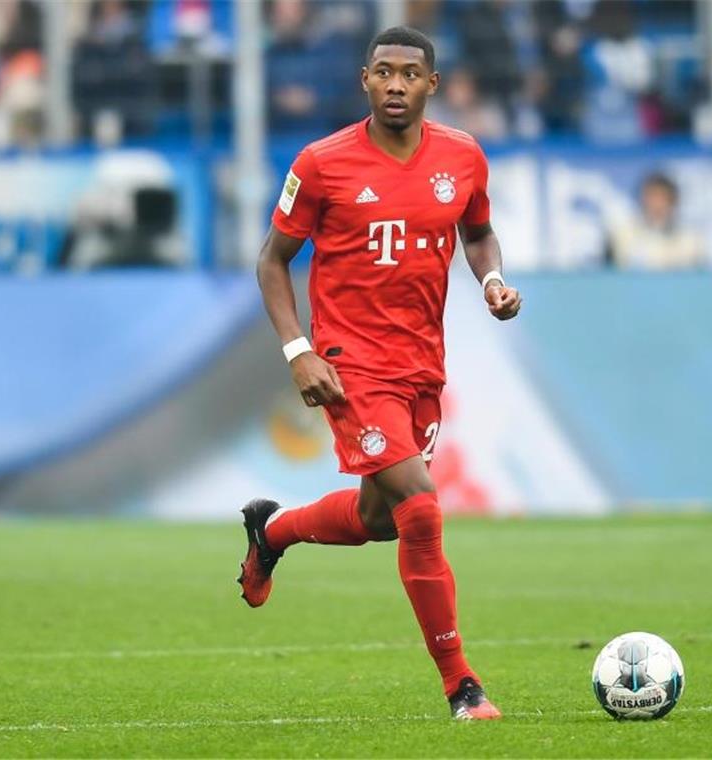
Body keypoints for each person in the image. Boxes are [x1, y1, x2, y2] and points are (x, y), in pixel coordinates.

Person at [237, 26, 521, 721]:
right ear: (365, 79)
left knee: (380, 518)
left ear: (432, 83)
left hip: (421, 365)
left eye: (409, 74)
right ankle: (463, 686)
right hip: (349, 364)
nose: (396, 85)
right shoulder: (323, 162)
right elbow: (273, 260)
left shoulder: (462, 157)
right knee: (421, 507)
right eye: (384, 72)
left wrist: (492, 281)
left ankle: (271, 535)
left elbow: (476, 230)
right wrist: (297, 349)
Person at [608, 171, 704, 270]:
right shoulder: (623, 236)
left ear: (673, 201)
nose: (656, 204)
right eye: (651, 197)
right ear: (642, 199)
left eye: (663, 198)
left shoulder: (689, 240)